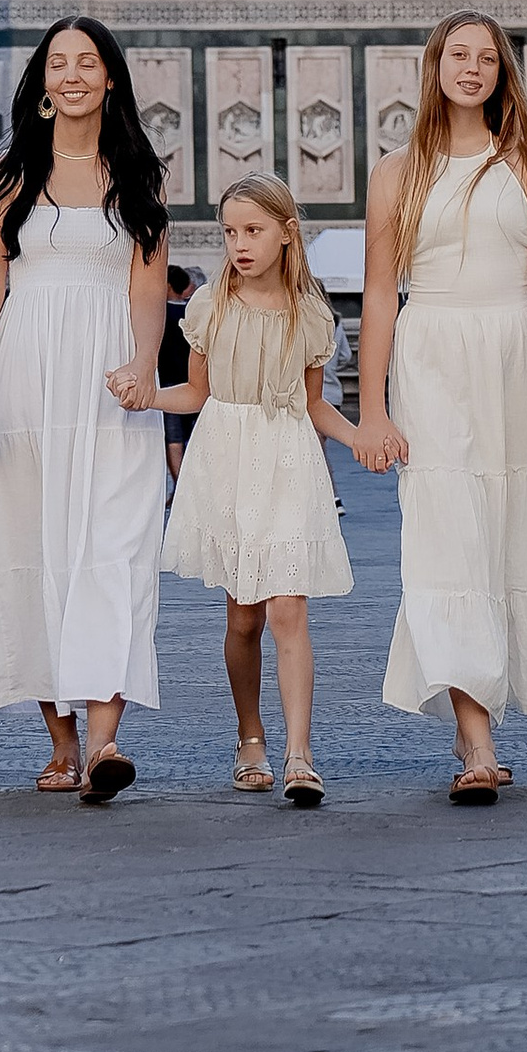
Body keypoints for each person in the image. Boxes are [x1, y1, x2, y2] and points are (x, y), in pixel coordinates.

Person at [355, 13, 527, 803]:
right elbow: (377, 293)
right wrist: (370, 405)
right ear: (435, 67)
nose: (472, 69)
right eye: (459, 56)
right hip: (431, 352)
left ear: (503, 75)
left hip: (516, 357)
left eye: (488, 59)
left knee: (510, 534)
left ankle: (488, 718)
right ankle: (475, 741)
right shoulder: (397, 172)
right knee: (448, 539)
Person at [0, 14, 169, 802]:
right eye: (58, 63)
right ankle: (62, 743)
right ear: (42, 82)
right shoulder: (7, 178)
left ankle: (105, 742)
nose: (72, 74)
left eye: (88, 62)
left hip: (108, 384)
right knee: (29, 540)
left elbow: (146, 289)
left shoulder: (138, 174)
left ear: (110, 78)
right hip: (26, 375)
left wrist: (142, 361)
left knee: (114, 544)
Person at [161, 178, 358, 805]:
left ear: (285, 232)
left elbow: (313, 403)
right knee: (242, 616)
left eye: (252, 230)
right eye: (229, 232)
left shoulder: (310, 315)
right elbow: (193, 395)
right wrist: (142, 398)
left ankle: (300, 754)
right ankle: (251, 736)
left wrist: (362, 438)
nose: (239, 244)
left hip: (289, 457)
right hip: (226, 454)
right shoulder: (208, 307)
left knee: (287, 608)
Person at [158, 264, 198, 487]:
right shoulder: (192, 313)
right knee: (191, 437)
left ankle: (180, 486)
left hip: (168, 384)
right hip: (194, 382)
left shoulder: (160, 314)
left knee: (173, 439)